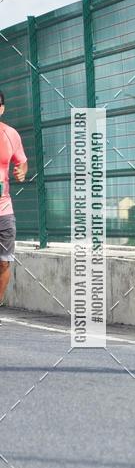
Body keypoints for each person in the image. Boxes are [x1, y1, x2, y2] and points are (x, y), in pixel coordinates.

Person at [0, 90, 28, 310]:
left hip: (4, 209)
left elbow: (22, 161)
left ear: (1, 108)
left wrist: (22, 171)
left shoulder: (11, 135)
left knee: (3, 262)